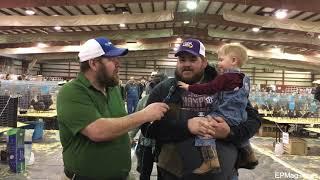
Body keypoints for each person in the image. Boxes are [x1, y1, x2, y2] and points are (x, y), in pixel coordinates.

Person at [141, 39, 261, 180]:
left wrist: (230, 132)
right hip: (173, 175)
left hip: (226, 176)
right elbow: (147, 128)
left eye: (193, 59)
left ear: (204, 62)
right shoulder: (164, 89)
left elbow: (254, 120)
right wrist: (186, 126)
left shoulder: (226, 85)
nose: (186, 64)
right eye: (182, 59)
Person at [57, 37, 169, 180]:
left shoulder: (113, 88)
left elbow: (118, 120)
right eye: (111, 59)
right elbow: (98, 131)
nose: (118, 63)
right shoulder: (72, 92)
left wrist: (124, 140)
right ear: (93, 63)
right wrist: (145, 114)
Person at [177, 43, 257, 173]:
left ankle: (210, 161)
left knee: (204, 128)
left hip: (225, 115)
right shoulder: (244, 79)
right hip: (240, 115)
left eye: (221, 60)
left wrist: (189, 87)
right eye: (182, 60)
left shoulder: (224, 78)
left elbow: (209, 88)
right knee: (239, 128)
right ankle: (249, 155)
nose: (218, 63)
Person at [130, 72, 168, 180]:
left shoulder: (171, 102)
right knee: (145, 173)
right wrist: (130, 136)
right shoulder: (144, 100)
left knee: (160, 174)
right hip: (147, 143)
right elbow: (136, 121)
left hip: (162, 145)